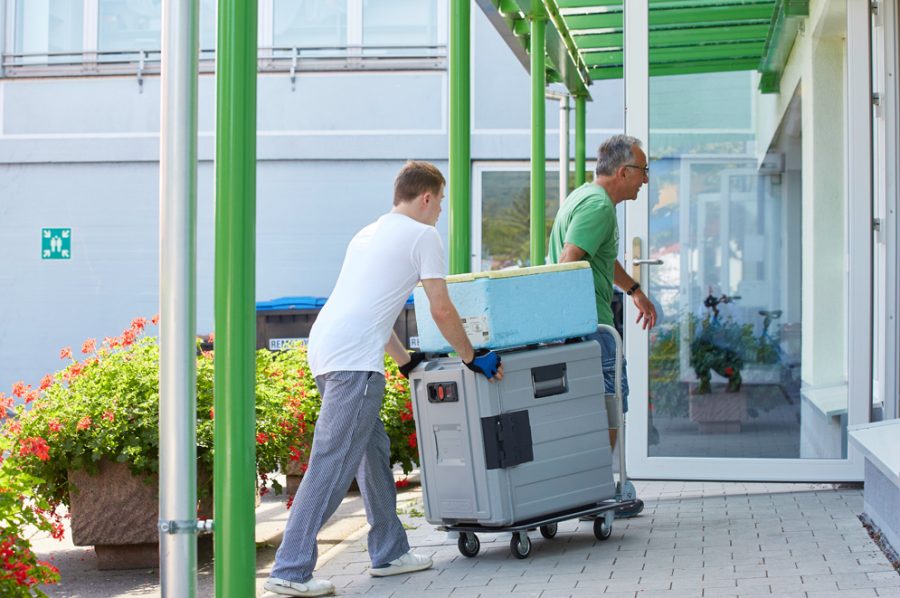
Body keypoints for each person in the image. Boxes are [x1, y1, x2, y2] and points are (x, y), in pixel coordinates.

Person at [265, 161, 504, 597]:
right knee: (332, 461)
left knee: (372, 452)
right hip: (355, 361)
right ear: (427, 197)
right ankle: (291, 568)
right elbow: (441, 307)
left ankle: (389, 551)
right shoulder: (423, 236)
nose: (440, 214)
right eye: (441, 204)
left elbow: (374, 309)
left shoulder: (367, 233)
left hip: (328, 348)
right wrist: (472, 357)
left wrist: (405, 361)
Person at [547, 134, 657, 519]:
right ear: (624, 171)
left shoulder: (585, 197)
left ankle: (588, 490)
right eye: (643, 171)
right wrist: (573, 320)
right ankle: (595, 495)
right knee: (609, 405)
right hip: (589, 328)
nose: (645, 180)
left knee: (597, 408)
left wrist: (634, 290)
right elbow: (568, 260)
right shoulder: (599, 207)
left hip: (579, 324)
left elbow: (599, 258)